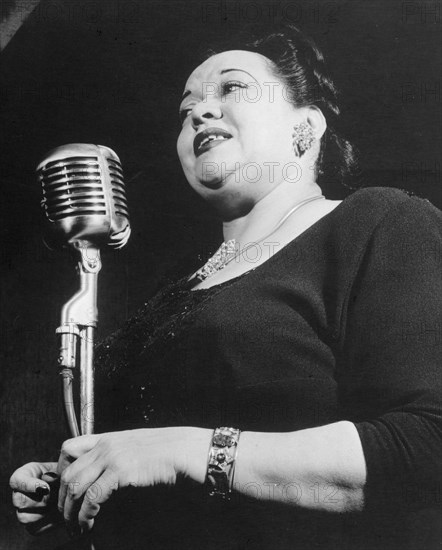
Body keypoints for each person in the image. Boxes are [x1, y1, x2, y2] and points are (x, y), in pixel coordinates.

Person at [10, 24, 442, 550]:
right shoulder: (176, 288)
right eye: (185, 108)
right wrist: (80, 481)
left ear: (305, 127)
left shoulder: (378, 222)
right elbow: (146, 453)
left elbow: (427, 444)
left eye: (231, 88)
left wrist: (184, 453)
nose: (199, 111)